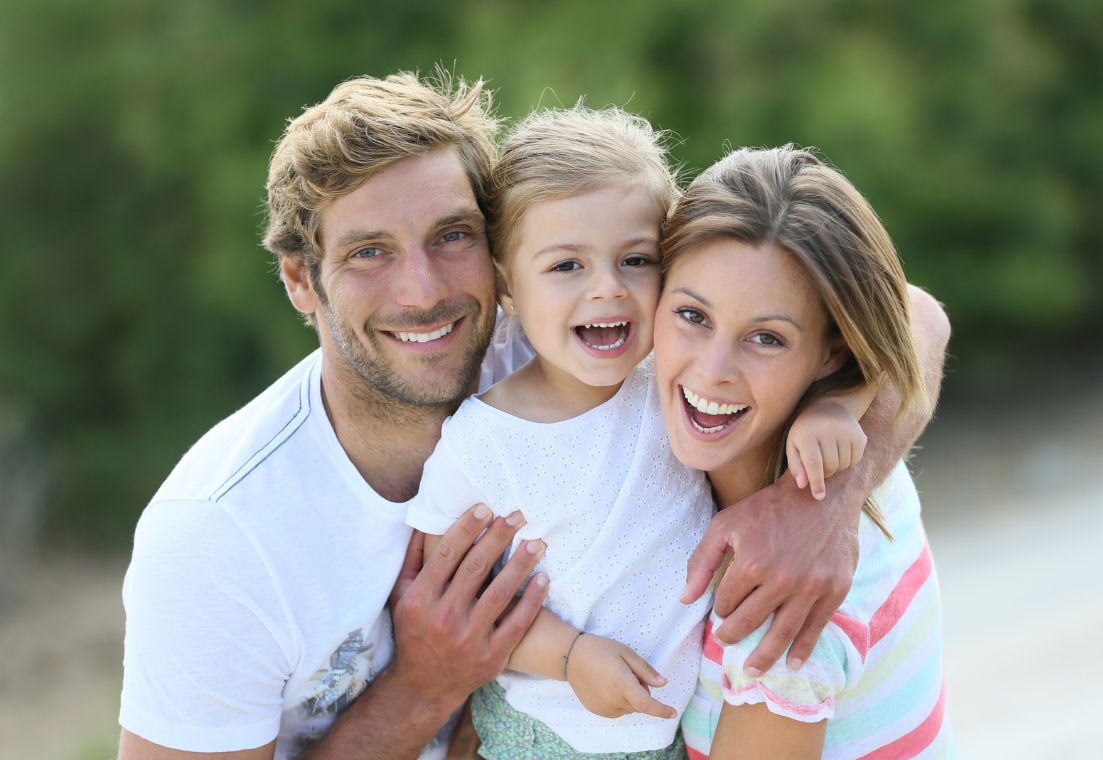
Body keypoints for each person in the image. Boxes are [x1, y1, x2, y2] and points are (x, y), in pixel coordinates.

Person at [117, 69, 949, 760]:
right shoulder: (217, 537)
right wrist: (428, 680)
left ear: (496, 254)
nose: (423, 290)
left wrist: (824, 502)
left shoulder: (572, 341)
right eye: (368, 252)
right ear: (302, 280)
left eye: (451, 236)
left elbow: (904, 313)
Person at [405, 106, 883, 760]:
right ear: (506, 286)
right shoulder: (481, 445)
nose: (607, 288)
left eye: (635, 260)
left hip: (662, 731)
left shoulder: (674, 379)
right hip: (551, 735)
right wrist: (569, 656)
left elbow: (873, 344)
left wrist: (839, 408)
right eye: (567, 266)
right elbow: (458, 611)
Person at [654, 146, 953, 758]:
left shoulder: (780, 614)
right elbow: (914, 311)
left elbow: (914, 313)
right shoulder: (854, 445)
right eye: (692, 315)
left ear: (832, 354)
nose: (711, 372)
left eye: (766, 338)